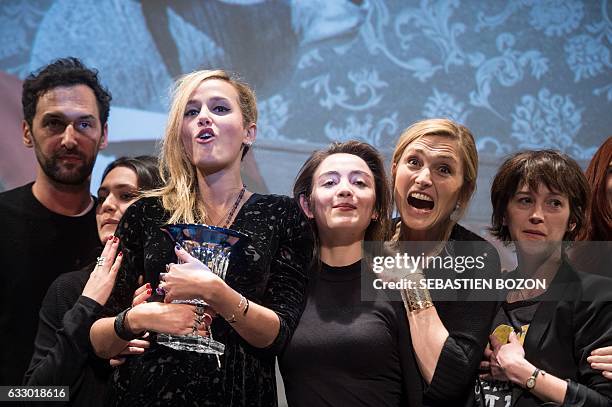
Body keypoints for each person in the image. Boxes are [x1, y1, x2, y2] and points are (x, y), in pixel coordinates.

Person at [89, 69, 313, 406]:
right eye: (191, 112)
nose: (204, 118)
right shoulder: (145, 214)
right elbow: (98, 338)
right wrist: (136, 318)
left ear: (249, 132)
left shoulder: (280, 215)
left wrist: (214, 292)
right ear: (181, 133)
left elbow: (278, 336)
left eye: (220, 109)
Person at [280, 140, 422, 406]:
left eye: (359, 183)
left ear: (378, 210)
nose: (345, 190)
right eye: (330, 183)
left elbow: (429, 389)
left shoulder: (399, 283)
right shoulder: (287, 284)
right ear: (307, 206)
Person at [0, 57, 111, 385]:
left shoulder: (120, 231)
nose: (68, 139)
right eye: (53, 123)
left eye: (84, 124)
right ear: (26, 132)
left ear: (104, 135)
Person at [476, 150, 612, 406]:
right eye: (525, 200)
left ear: (572, 220)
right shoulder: (484, 292)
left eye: (554, 203)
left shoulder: (596, 297)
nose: (537, 215)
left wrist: (525, 373)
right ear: (504, 215)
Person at [23, 156, 162, 405]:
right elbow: (31, 395)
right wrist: (88, 306)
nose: (106, 205)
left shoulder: (175, 289)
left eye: (126, 196)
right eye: (103, 194)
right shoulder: (71, 288)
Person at [390, 118, 501, 405]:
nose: (424, 178)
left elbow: (450, 379)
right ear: (394, 170)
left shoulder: (477, 257)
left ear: (463, 191)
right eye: (413, 162)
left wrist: (411, 282)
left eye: (443, 169)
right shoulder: (367, 242)